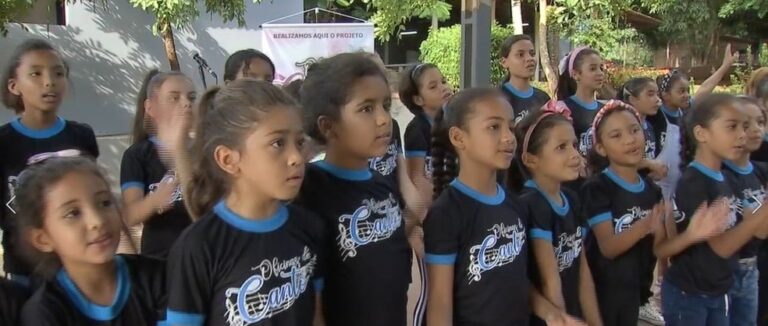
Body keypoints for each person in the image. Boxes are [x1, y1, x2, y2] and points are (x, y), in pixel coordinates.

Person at [165, 79, 326, 325]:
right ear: (228, 159)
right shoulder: (198, 248)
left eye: (299, 142)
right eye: (277, 143)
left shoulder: (309, 227)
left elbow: (316, 316)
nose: (296, 157)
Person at [424, 87, 584, 326]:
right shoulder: (446, 213)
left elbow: (517, 279)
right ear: (458, 137)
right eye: (494, 127)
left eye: (510, 127)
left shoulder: (515, 204)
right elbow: (440, 303)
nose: (509, 137)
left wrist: (552, 314)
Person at [295, 53, 419, 326]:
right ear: (328, 126)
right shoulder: (309, 191)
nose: (384, 119)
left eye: (385, 106)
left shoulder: (381, 182)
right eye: (366, 109)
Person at [656, 93, 768, 326]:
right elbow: (722, 248)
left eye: (744, 126)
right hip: (690, 295)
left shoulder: (722, 178)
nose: (742, 135)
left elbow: (756, 232)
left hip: (717, 290)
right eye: (732, 127)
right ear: (701, 134)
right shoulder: (694, 183)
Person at [17, 156, 166, 325]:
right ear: (43, 239)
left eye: (104, 203)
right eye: (73, 213)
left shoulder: (159, 278)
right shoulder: (45, 313)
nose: (97, 221)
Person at [0, 39, 99, 284]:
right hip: (25, 272)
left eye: (58, 73)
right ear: (14, 85)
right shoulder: (4, 142)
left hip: (79, 267)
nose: (49, 82)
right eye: (36, 73)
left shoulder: (81, 136)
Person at [512, 104, 602, 325]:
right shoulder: (532, 204)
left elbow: (582, 270)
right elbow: (549, 279)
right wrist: (562, 319)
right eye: (561, 148)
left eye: (573, 145)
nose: (574, 155)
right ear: (530, 159)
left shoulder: (571, 198)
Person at [580, 100, 665, 326]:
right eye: (616, 136)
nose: (629, 140)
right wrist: (646, 224)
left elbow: (659, 247)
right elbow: (608, 247)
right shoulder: (597, 188)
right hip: (602, 294)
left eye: (634, 130)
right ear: (601, 147)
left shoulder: (652, 190)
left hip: (634, 293)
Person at [120, 70, 195, 258]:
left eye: (191, 98)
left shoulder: (206, 150)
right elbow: (130, 214)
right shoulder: (137, 155)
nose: (186, 103)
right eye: (174, 98)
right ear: (151, 108)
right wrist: (154, 201)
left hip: (204, 253)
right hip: (160, 257)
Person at [723, 96, 768, 326]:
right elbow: (759, 231)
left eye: (760, 122)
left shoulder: (761, 171)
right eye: (744, 124)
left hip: (753, 267)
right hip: (724, 273)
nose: (755, 130)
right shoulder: (719, 175)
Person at [401, 63, 453, 200]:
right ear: (418, 99)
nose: (443, 88)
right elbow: (416, 177)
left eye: (443, 81)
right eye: (433, 86)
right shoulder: (417, 129)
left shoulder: (455, 121)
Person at [498, 34, 551, 124]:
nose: (529, 58)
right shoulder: (498, 98)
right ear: (504, 62)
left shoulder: (543, 98)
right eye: (520, 55)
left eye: (532, 54)